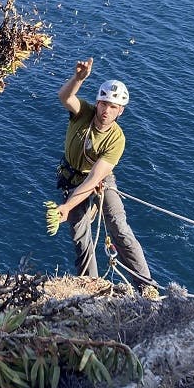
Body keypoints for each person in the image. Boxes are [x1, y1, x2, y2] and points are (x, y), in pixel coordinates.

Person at [54, 56, 157, 292]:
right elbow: (65, 97)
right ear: (97, 103)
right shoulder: (83, 114)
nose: (106, 111)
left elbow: (94, 179)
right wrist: (78, 79)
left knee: (119, 227)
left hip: (99, 180)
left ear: (120, 111)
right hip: (72, 178)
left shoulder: (117, 139)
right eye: (103, 104)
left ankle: (146, 286)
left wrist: (68, 207)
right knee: (81, 236)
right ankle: (91, 286)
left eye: (113, 107)